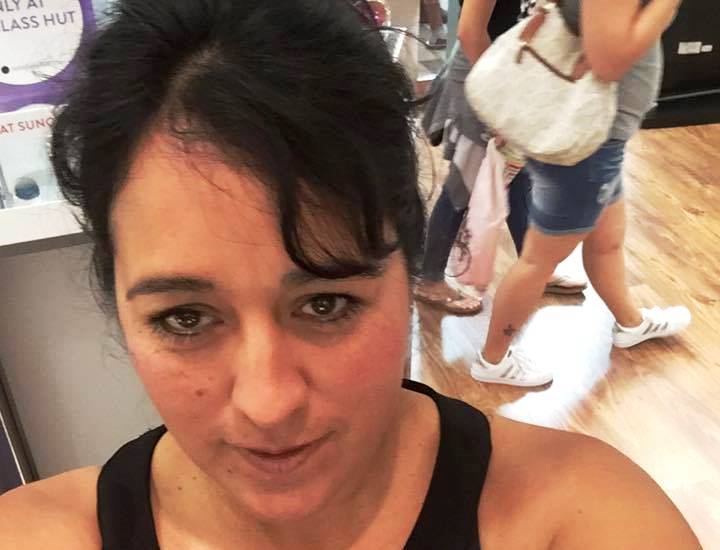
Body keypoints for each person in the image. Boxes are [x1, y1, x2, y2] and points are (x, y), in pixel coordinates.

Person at [0, 1, 700, 548]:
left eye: (326, 303)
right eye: (185, 318)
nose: (269, 404)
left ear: (407, 270)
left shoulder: (581, 522)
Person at [473, 0, 692, 383]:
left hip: (596, 136)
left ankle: (631, 323)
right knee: (539, 262)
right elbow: (609, 63)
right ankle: (492, 362)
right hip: (587, 142)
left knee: (607, 241)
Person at [416, 0, 586, 325]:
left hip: (509, 78)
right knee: (463, 186)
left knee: (518, 178)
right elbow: (470, 32)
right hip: (484, 81)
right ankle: (429, 277)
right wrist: (499, 98)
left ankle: (533, 267)